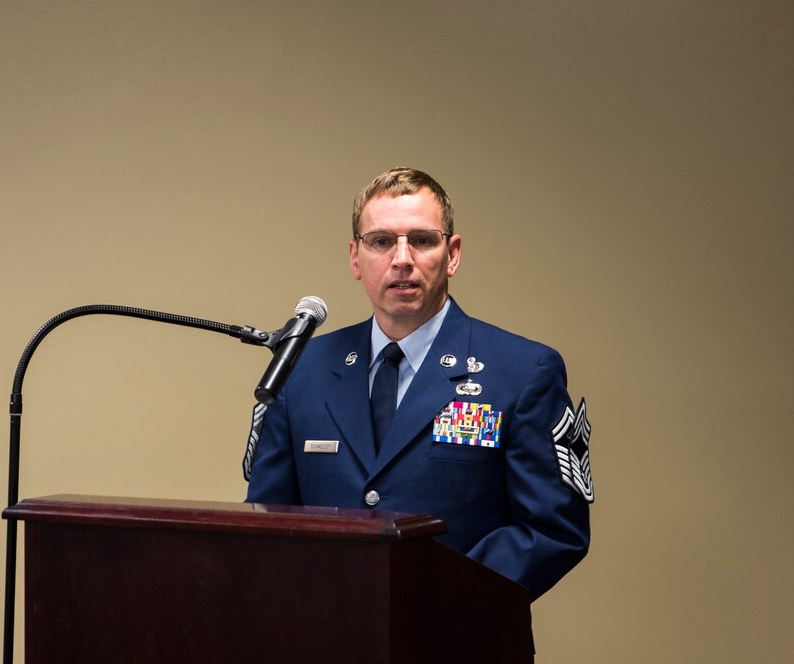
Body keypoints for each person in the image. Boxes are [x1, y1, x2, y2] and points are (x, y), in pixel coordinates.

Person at [244, 167, 592, 601]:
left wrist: (435, 597)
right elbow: (266, 521)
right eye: (382, 241)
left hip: (458, 636)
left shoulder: (522, 371)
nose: (402, 258)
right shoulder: (303, 369)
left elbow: (552, 530)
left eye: (422, 240)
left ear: (453, 254)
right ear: (356, 257)